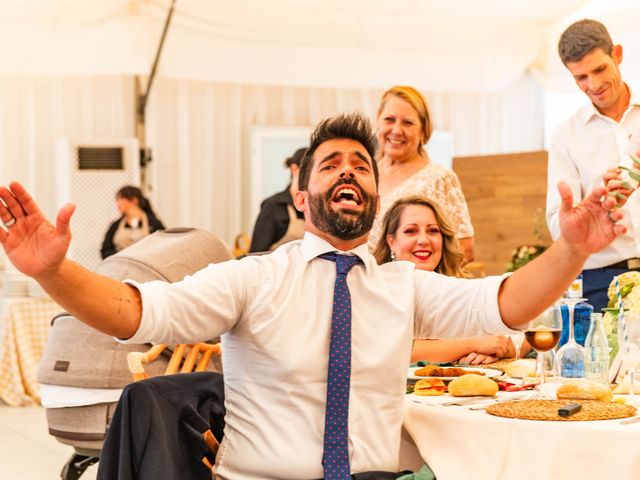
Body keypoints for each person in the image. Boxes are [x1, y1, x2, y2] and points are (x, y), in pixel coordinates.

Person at [0, 113, 625, 479]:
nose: (349, 169)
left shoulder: (400, 285)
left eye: (361, 164)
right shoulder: (254, 277)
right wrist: (53, 273)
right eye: (330, 164)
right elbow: (136, 312)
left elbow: (508, 301)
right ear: (301, 198)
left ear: (375, 200)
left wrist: (571, 249)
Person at [546, 19, 640, 312]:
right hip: (601, 283)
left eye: (599, 69)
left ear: (618, 54)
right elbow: (556, 225)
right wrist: (592, 207)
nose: (594, 85)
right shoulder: (566, 136)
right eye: (581, 77)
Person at [373, 195, 529, 365]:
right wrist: (474, 344)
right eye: (411, 231)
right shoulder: (375, 287)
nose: (424, 240)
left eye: (432, 231)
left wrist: (496, 352)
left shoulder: (456, 288)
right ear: (391, 241)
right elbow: (397, 349)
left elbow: (521, 337)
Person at [368, 85, 475, 264]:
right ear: (378, 120)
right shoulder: (364, 175)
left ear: (423, 130)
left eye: (407, 123)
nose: (396, 130)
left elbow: (466, 249)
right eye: (389, 119)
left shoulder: (439, 178)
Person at [249, 147, 306, 252]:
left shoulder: (317, 207)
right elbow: (256, 253)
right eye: (309, 170)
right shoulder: (273, 206)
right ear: (294, 169)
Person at [100, 185, 165, 259]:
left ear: (134, 200)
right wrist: (122, 256)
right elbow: (105, 250)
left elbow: (163, 247)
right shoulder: (116, 225)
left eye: (120, 199)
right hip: (120, 265)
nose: (117, 204)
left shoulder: (153, 223)